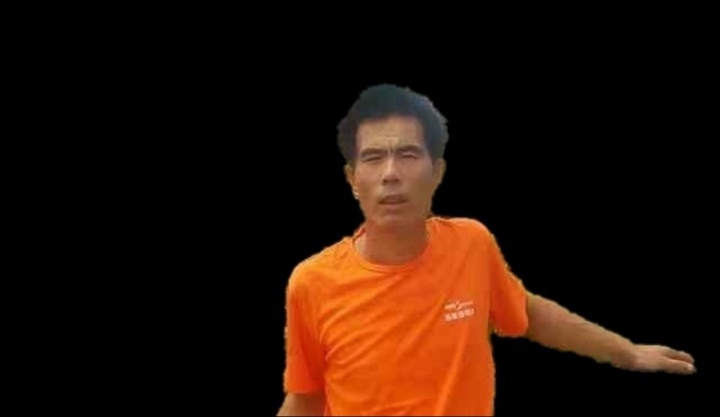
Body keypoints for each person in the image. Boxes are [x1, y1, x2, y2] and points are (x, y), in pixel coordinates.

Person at [277, 84, 696, 416]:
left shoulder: (472, 245)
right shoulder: (312, 283)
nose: (390, 173)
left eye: (407, 154)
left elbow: (526, 312)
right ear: (352, 179)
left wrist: (628, 353)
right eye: (373, 158)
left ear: (437, 172)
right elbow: (307, 398)